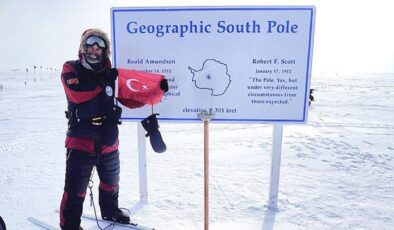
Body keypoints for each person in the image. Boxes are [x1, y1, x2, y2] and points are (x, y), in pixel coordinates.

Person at [59, 28, 128, 230]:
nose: (95, 49)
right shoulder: (71, 68)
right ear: (84, 46)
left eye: (100, 45)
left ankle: (110, 211)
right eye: (91, 43)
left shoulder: (111, 74)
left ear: (105, 50)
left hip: (108, 139)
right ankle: (70, 225)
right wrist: (104, 81)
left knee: (111, 182)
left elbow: (129, 97)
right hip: (81, 139)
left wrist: (155, 89)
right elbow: (77, 93)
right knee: (75, 189)